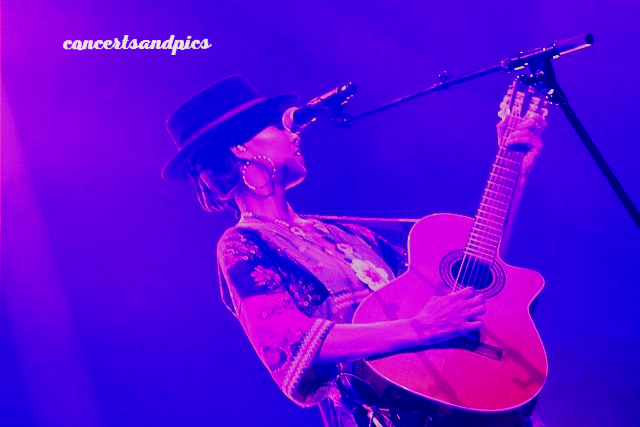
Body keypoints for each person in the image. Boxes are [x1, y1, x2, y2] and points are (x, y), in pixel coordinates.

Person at [162, 76, 546, 426]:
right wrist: (422, 327)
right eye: (278, 126)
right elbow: (290, 343)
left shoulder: (347, 233)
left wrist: (515, 169)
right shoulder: (244, 244)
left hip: (459, 397)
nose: (294, 135)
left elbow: (473, 277)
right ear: (241, 147)